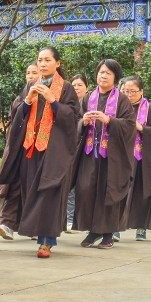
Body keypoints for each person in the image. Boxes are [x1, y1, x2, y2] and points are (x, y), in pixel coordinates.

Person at [0, 46, 81, 258]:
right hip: (30, 149)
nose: (43, 64)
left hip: (54, 152)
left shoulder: (67, 88)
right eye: (40, 60)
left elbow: (72, 118)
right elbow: (17, 113)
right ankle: (31, 232)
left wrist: (53, 100)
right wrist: (27, 100)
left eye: (47, 60)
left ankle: (47, 241)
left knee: (50, 193)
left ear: (57, 63)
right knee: (31, 192)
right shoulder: (31, 86)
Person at [71, 59, 135, 248]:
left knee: (108, 192)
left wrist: (109, 120)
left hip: (112, 156)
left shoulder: (122, 100)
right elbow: (75, 120)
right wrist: (83, 121)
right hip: (90, 153)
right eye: (101, 72)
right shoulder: (88, 97)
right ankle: (93, 230)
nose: (103, 76)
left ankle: (107, 234)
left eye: (108, 73)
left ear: (115, 77)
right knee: (86, 189)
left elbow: (130, 126)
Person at [0, 63, 39, 240]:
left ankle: (33, 227)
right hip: (18, 147)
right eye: (28, 72)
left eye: (34, 72)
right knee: (13, 184)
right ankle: (6, 222)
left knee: (32, 186)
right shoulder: (22, 96)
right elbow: (15, 115)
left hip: (37, 148)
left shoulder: (48, 94)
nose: (30, 76)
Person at [119, 75, 151, 241]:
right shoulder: (119, 108)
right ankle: (115, 227)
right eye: (126, 91)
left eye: (133, 91)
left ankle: (141, 227)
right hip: (122, 156)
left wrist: (141, 128)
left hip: (143, 157)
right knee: (119, 192)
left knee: (141, 193)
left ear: (141, 91)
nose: (129, 95)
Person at [65, 74, 89, 232]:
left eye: (80, 85)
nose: (76, 87)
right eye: (73, 84)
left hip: (87, 149)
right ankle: (69, 218)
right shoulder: (68, 103)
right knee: (70, 186)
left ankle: (82, 219)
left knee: (84, 185)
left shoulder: (91, 103)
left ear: (86, 88)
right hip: (69, 148)